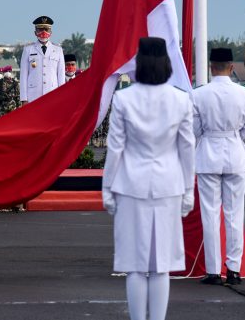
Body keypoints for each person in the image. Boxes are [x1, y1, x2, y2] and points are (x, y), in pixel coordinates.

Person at [102, 37, 195, 320]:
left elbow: (115, 147)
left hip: (131, 184)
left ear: (139, 64)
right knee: (161, 265)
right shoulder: (181, 99)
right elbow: (187, 148)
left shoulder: (123, 98)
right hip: (168, 184)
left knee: (134, 264)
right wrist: (189, 190)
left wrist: (106, 188)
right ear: (166, 63)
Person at [193, 47, 245, 286]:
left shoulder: (198, 94)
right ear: (231, 67)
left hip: (208, 153)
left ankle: (212, 270)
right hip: (235, 153)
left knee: (210, 215)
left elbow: (195, 130)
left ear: (211, 67)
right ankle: (234, 269)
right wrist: (232, 135)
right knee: (234, 214)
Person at [19, 15, 65, 104]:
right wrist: (24, 99)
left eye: (46, 29)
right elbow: (23, 75)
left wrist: (61, 96)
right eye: (40, 29)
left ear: (51, 32)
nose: (43, 32)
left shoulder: (58, 50)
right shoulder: (28, 49)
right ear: (35, 32)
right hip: (33, 96)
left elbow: (61, 76)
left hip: (53, 94)